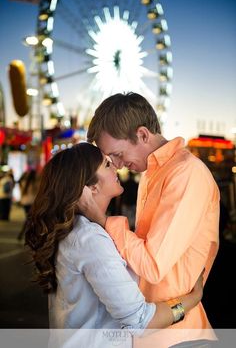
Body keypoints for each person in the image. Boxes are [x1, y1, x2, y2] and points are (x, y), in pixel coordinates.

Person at [24, 143, 203, 347]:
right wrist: (192, 299)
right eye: (107, 164)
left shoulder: (77, 230)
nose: (116, 167)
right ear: (92, 187)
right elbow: (140, 321)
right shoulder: (90, 239)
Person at [81, 92, 220, 347]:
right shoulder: (152, 173)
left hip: (179, 334)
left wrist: (104, 221)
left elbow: (153, 265)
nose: (119, 165)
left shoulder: (186, 173)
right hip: (156, 328)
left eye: (119, 155)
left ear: (143, 134)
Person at [17, 169, 40, 240]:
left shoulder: (23, 182)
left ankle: (24, 234)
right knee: (30, 219)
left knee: (29, 218)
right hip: (32, 202)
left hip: (25, 202)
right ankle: (24, 233)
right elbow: (38, 192)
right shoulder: (34, 183)